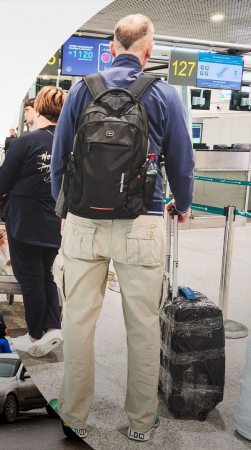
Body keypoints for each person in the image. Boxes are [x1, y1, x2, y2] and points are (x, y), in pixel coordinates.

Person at [49, 14, 195, 441]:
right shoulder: (165, 94)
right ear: (148, 52)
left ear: (112, 48)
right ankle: (140, 422)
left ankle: (74, 417)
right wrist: (182, 205)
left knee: (77, 322)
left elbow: (60, 159)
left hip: (83, 223)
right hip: (143, 222)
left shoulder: (81, 89)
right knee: (144, 327)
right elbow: (182, 162)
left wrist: (66, 212)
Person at [0, 86, 66, 357]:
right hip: (54, 222)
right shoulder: (68, 141)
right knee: (45, 274)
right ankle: (52, 328)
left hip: (25, 222)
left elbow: (2, 183)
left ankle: (35, 335)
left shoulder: (27, 141)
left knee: (30, 279)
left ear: (39, 108)